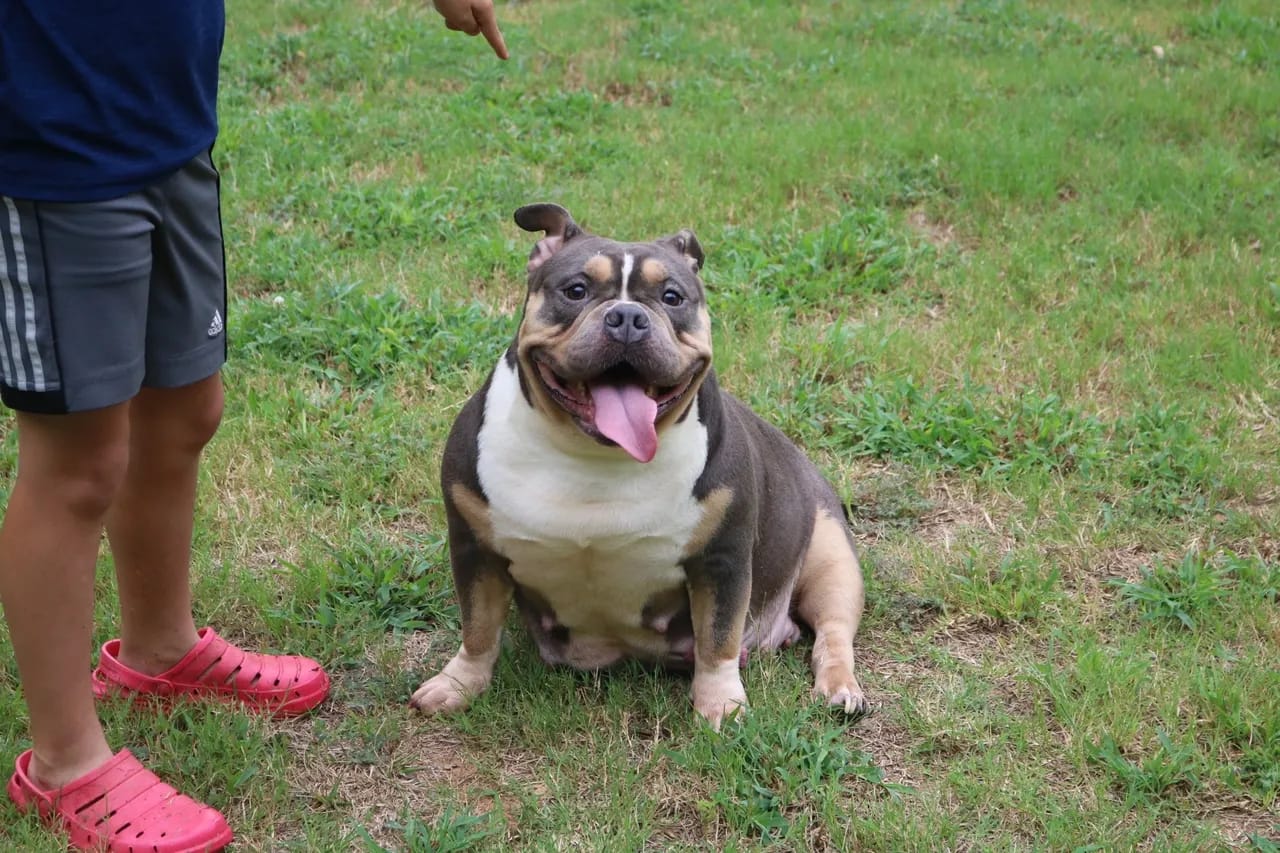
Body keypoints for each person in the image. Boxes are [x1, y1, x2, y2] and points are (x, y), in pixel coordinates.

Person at [0, 1, 507, 849]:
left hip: (168, 123)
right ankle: (64, 760)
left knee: (185, 406)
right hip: (53, 147)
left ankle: (159, 650)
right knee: (79, 463)